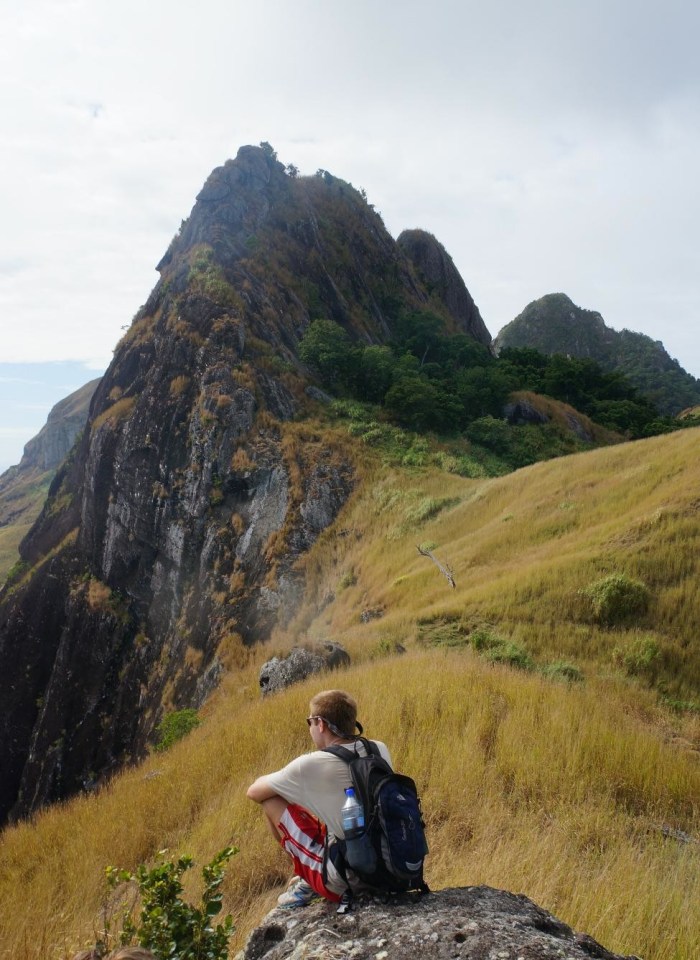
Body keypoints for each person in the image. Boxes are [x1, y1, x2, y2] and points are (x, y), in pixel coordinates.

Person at [246, 689, 392, 907]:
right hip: (390, 863)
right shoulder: (378, 748)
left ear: (320, 724)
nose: (310, 728)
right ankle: (314, 871)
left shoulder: (311, 764)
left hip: (348, 879)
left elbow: (254, 792)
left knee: (271, 800)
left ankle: (308, 880)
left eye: (310, 722)